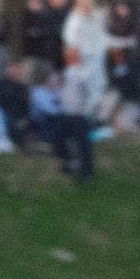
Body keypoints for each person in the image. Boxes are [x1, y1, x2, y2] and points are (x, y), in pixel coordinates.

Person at [56, 48, 96, 181]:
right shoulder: (65, 73)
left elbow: (90, 94)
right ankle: (69, 163)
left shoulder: (83, 74)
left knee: (82, 144)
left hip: (79, 115)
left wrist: (87, 112)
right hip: (66, 114)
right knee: (60, 138)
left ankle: (86, 172)